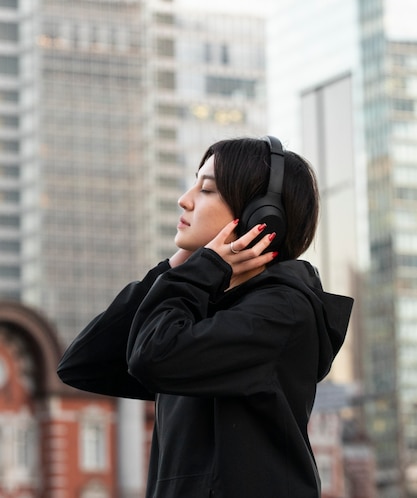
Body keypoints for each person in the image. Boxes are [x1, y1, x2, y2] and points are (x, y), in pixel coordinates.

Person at [57, 135, 353, 498]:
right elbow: (82, 364)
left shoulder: (282, 312)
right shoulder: (200, 303)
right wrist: (174, 268)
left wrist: (197, 272)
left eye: (207, 189)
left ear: (261, 217)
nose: (185, 199)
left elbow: (153, 356)